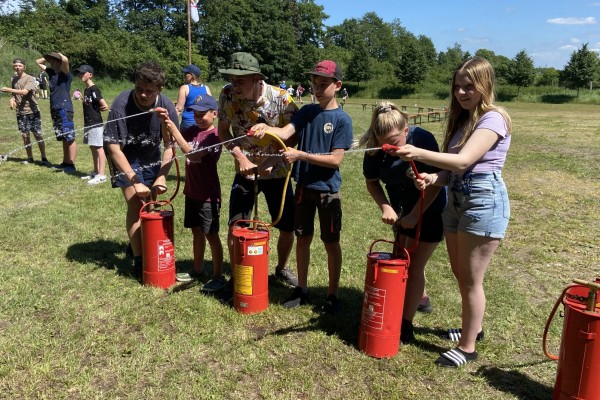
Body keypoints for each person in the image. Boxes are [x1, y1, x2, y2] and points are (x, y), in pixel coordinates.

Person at [393, 57, 512, 367]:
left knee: (472, 278)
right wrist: (434, 177)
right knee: (462, 274)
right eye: (457, 86)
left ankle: (468, 346)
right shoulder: (463, 122)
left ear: (485, 85)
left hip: (483, 201)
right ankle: (475, 328)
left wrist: (418, 152)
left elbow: (463, 161)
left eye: (469, 86)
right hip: (457, 200)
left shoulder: (494, 119)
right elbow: (453, 171)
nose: (461, 92)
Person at [250, 60, 353, 314]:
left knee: (331, 243)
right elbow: (285, 133)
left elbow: (336, 159)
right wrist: (267, 129)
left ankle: (332, 295)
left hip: (328, 191)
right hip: (303, 188)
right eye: (314, 84)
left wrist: (301, 155)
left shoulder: (342, 120)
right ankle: (302, 289)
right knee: (302, 238)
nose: (317, 89)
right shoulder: (307, 112)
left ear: (337, 85)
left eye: (323, 84)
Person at [359, 101, 446, 343]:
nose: (388, 147)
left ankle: (405, 325)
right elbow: (372, 182)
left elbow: (437, 185)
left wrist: (414, 215)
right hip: (401, 209)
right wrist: (386, 207)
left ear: (406, 130)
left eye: (394, 142)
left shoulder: (424, 141)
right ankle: (419, 299)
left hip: (429, 208)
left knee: (414, 265)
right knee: (400, 258)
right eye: (383, 142)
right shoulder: (375, 148)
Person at [217, 52, 299, 290]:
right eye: (232, 79)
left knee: (286, 225)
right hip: (244, 170)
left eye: (240, 80)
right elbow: (223, 131)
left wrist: (269, 163)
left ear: (256, 78)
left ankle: (282, 268)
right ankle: (237, 274)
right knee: (236, 224)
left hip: (277, 172)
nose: (234, 85)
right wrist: (240, 157)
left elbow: (293, 136)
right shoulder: (227, 95)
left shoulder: (282, 99)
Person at [104, 61, 179, 279]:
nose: (143, 95)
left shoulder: (166, 106)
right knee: (136, 202)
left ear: (159, 90)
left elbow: (170, 146)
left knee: (152, 202)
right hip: (125, 154)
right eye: (139, 89)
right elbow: (114, 148)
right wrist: (134, 180)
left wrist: (162, 177)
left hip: (151, 153)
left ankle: (139, 243)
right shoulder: (121, 105)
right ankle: (139, 260)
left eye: (149, 91)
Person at [156, 95, 226, 292]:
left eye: (202, 114)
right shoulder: (193, 131)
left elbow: (192, 155)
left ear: (215, 113)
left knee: (210, 234)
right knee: (196, 232)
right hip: (192, 192)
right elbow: (170, 141)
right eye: (195, 114)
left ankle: (218, 275)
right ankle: (197, 269)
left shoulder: (215, 136)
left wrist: (175, 130)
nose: (198, 118)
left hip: (208, 196)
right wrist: (165, 123)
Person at [1, 58, 50, 166]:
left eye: (20, 65)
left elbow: (24, 92)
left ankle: (44, 158)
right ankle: (30, 158)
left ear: (24, 67)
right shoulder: (14, 79)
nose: (17, 67)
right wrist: (12, 99)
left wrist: (9, 90)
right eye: (15, 65)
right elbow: (15, 94)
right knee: (25, 135)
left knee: (37, 134)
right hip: (20, 111)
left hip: (32, 111)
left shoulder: (30, 78)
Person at [36, 51, 76, 173]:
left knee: (69, 137)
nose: (50, 62)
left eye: (53, 61)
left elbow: (65, 61)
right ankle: (65, 162)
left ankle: (72, 164)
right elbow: (38, 62)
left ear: (58, 62)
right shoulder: (51, 72)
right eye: (50, 61)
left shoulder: (66, 74)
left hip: (64, 108)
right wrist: (49, 57)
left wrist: (59, 55)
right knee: (63, 137)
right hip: (55, 108)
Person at [74, 64, 109, 185]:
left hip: (95, 122)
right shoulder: (87, 89)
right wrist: (82, 98)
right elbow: (89, 104)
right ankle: (95, 171)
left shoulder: (94, 89)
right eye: (79, 73)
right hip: (88, 122)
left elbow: (104, 105)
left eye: (83, 73)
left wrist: (97, 110)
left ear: (90, 75)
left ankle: (102, 175)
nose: (81, 75)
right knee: (92, 146)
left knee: (99, 147)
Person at [175, 64, 212, 131]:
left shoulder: (184, 88)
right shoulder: (206, 88)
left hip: (188, 123)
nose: (184, 76)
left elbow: (178, 109)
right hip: (203, 122)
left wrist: (171, 120)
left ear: (192, 75)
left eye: (186, 73)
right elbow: (211, 106)